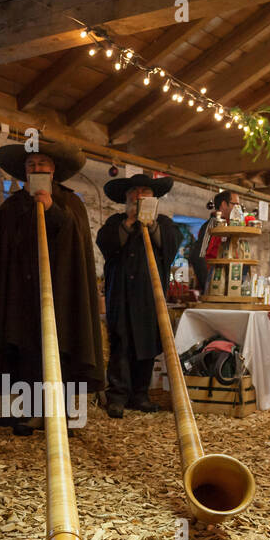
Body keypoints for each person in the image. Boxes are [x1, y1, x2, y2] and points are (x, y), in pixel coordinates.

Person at [0, 139, 104, 435]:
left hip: (63, 296)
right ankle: (33, 413)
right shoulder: (12, 207)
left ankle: (60, 414)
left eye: (42, 165)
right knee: (28, 353)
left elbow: (74, 242)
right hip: (23, 297)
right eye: (31, 165)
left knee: (61, 351)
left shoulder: (70, 202)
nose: (36, 169)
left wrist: (51, 210)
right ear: (24, 172)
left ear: (53, 171)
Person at [95, 173, 180, 417]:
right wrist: (130, 223)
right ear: (126, 198)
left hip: (148, 296)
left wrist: (151, 225)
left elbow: (171, 246)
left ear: (154, 197)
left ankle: (140, 394)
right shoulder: (116, 222)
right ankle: (118, 395)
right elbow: (107, 244)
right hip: (120, 295)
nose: (139, 196)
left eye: (145, 191)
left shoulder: (164, 224)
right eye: (134, 192)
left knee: (146, 344)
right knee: (121, 343)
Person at [191, 190, 241, 294]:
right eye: (235, 204)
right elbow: (198, 256)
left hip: (229, 284)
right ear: (223, 204)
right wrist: (207, 285)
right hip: (214, 283)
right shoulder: (212, 225)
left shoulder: (231, 226)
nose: (238, 208)